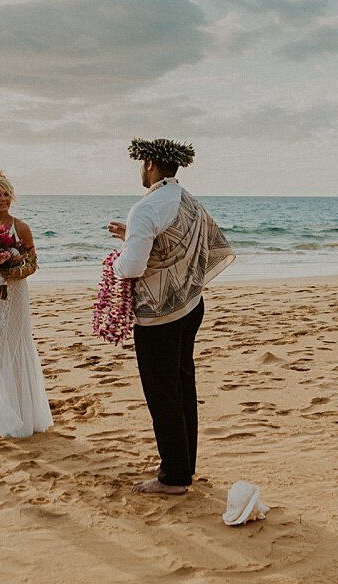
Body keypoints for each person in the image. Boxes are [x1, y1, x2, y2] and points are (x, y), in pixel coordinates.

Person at [107, 138, 234, 495]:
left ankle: (174, 477)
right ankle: (183, 463)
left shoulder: (145, 209)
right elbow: (191, 244)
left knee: (161, 392)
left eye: (141, 164)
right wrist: (131, 237)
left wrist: (115, 263)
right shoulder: (188, 200)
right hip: (191, 305)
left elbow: (132, 266)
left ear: (149, 164)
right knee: (182, 385)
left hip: (159, 315)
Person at [0, 171, 53, 438]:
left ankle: (25, 413)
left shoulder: (21, 227)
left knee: (17, 344)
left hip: (15, 293)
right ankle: (3, 414)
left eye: (5, 194)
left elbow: (33, 263)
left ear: (11, 196)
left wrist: (14, 272)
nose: (2, 199)